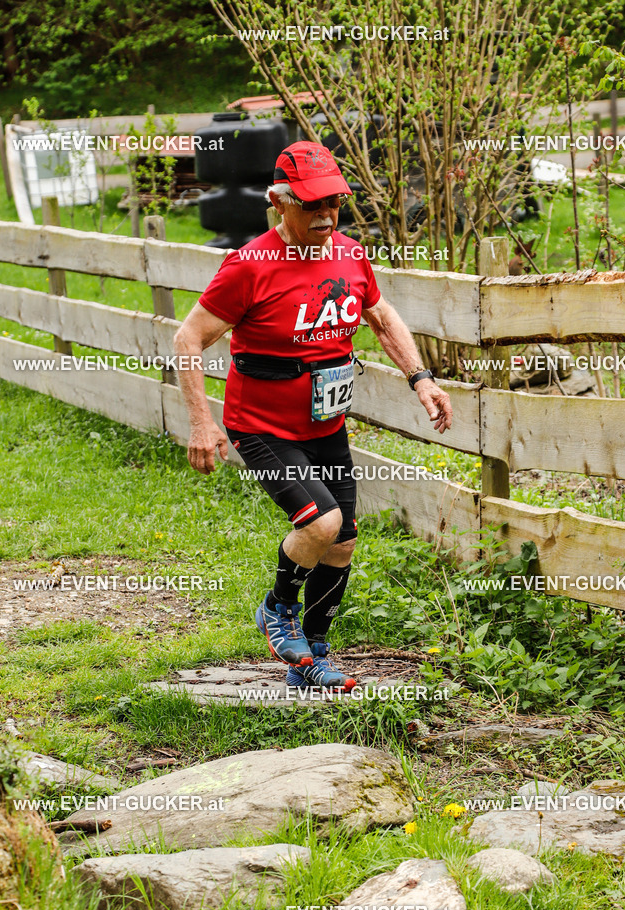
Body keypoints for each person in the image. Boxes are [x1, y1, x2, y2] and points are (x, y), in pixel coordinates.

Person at [173, 141, 452, 691]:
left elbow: (380, 313)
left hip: (326, 423)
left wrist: (421, 378)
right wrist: (202, 422)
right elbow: (188, 337)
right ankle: (278, 609)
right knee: (319, 523)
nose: (326, 215)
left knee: (343, 539)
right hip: (261, 425)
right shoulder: (249, 265)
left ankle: (314, 655)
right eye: (312, 205)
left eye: (334, 203)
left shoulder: (349, 254)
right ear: (280, 202)